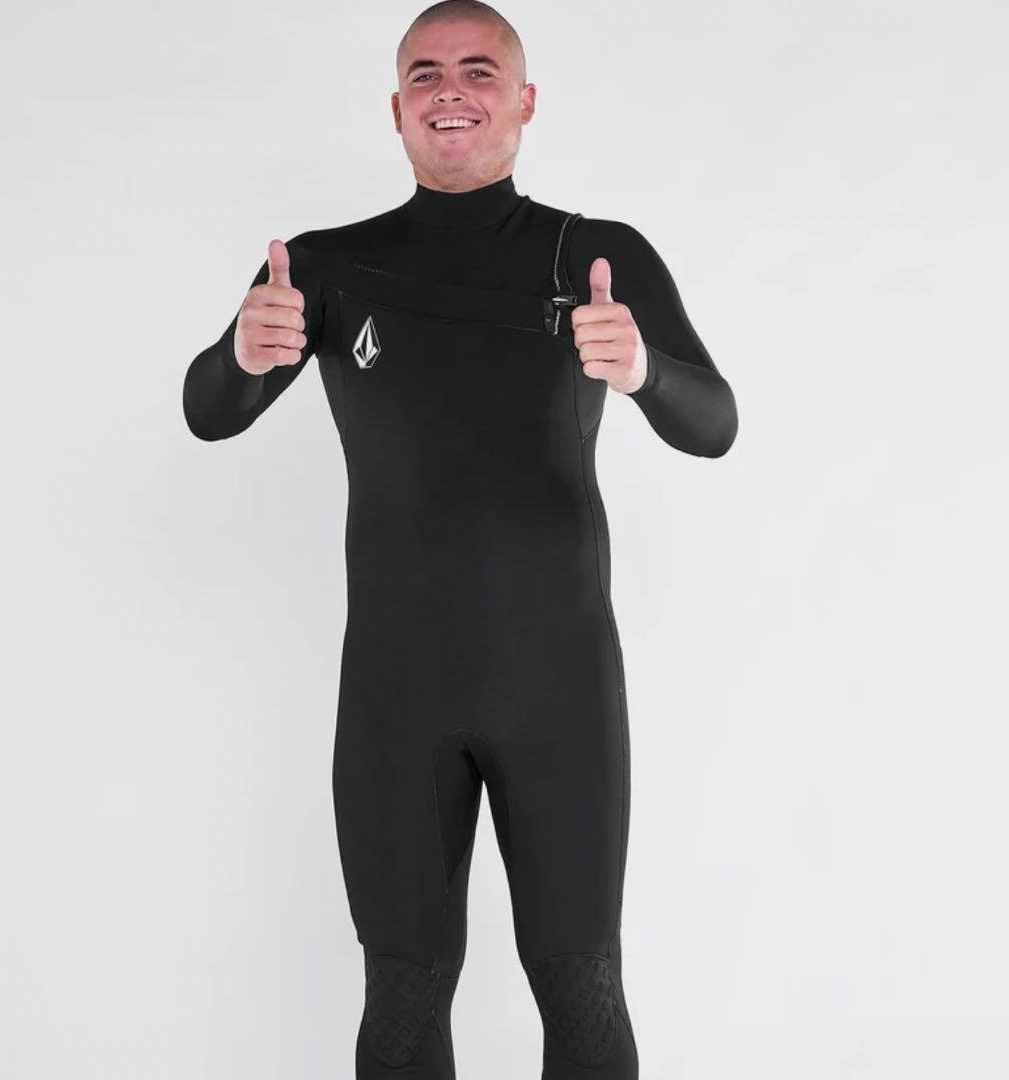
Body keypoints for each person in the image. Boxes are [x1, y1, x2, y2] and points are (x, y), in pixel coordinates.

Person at [183, 2, 737, 1076]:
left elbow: (712, 424)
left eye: (480, 71)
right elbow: (210, 411)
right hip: (396, 697)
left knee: (582, 991)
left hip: (560, 690)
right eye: (426, 73)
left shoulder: (598, 256)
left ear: (524, 102)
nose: (451, 90)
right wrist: (242, 358)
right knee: (401, 994)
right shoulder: (321, 268)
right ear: (395, 110)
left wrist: (643, 371)